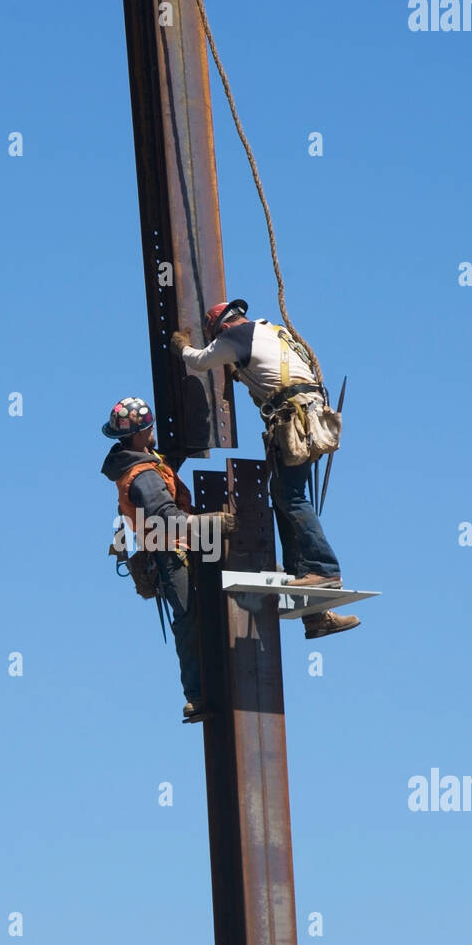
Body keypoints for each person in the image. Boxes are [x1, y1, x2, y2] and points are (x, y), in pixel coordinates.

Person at [171, 300, 359, 640]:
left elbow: (200, 362)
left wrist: (183, 348)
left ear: (220, 328)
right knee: (284, 496)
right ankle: (312, 607)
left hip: (296, 418)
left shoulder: (234, 338)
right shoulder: (272, 331)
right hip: (309, 416)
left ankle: (323, 570)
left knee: (290, 496)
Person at [101, 396, 211, 722]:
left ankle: (200, 690)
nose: (154, 431)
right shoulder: (142, 475)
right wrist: (211, 524)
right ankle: (196, 694)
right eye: (149, 427)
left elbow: (165, 469)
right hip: (171, 551)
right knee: (188, 618)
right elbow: (165, 515)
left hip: (174, 548)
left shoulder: (143, 459)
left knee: (193, 615)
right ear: (139, 432)